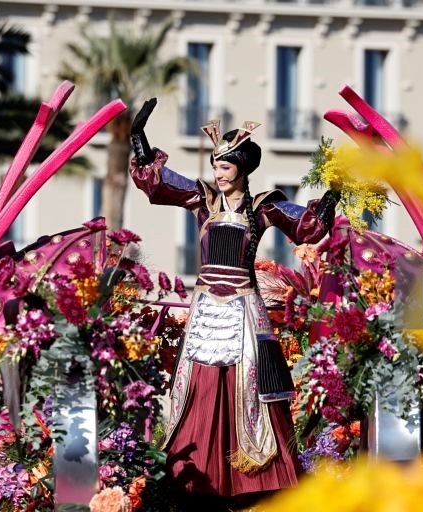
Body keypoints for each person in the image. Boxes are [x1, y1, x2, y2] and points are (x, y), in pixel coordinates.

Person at [128, 98, 339, 507]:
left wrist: (335, 192)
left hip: (244, 309)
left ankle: (254, 481)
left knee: (250, 388)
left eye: (225, 167)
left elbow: (307, 226)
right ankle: (196, 480)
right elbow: (158, 182)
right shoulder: (201, 200)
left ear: (241, 169)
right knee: (202, 386)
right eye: (215, 166)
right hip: (207, 309)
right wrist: (138, 138)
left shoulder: (264, 208)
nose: (218, 174)